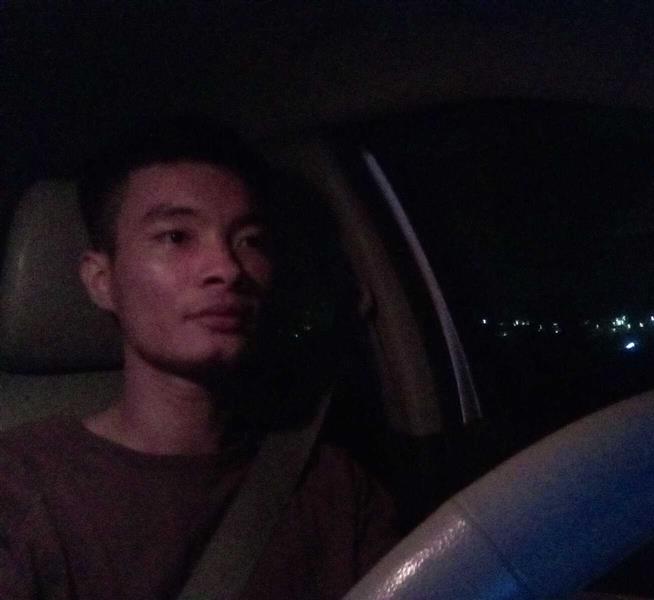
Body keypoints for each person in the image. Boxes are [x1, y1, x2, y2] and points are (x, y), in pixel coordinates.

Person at [0, 117, 398, 599]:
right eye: (176, 236)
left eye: (250, 240)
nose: (227, 269)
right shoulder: (19, 489)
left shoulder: (335, 488)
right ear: (102, 281)